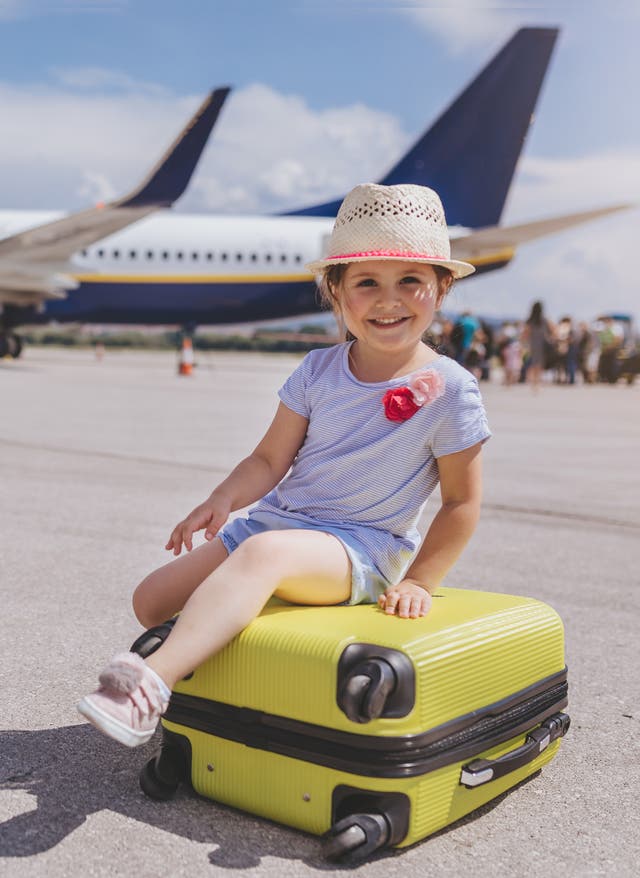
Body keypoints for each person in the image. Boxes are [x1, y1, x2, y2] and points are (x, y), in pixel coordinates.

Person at [77, 183, 491, 748]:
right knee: (151, 599)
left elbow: (462, 501)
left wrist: (421, 579)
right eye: (367, 282)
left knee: (265, 556)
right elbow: (270, 458)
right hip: (275, 525)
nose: (387, 300)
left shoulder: (450, 389)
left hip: (359, 547)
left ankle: (152, 684)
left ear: (440, 289)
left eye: (409, 282)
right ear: (336, 292)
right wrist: (221, 500)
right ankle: (226, 619)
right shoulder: (319, 370)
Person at [522, 301, 553, 392]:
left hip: (533, 344)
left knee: (533, 363)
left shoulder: (530, 320)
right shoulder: (544, 320)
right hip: (542, 344)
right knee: (539, 364)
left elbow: (525, 333)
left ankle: (533, 383)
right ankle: (537, 383)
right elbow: (553, 330)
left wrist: (524, 344)